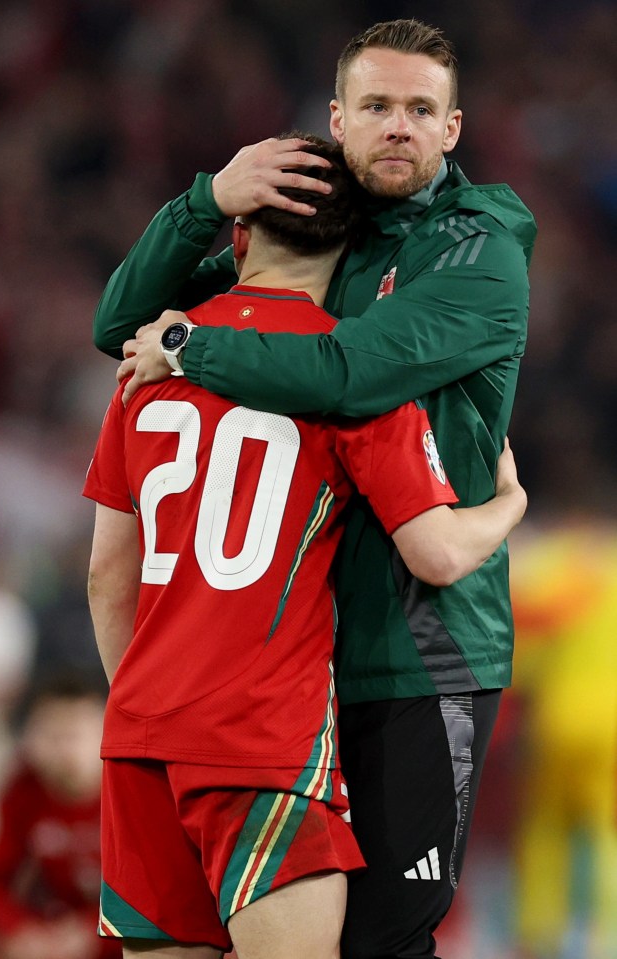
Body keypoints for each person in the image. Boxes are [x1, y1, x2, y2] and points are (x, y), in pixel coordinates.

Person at [91, 19, 537, 959]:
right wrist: (205, 197)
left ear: (454, 129)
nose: (399, 127)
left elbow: (343, 372)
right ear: (339, 120)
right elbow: (118, 322)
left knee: (386, 941)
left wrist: (186, 347)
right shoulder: (325, 244)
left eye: (422, 110)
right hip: (296, 674)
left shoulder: (479, 252)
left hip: (423, 649)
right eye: (377, 107)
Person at [0, 671, 120, 959]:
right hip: (41, 923)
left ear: (107, 732)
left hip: (103, 927)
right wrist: (17, 930)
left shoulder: (127, 793)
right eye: (51, 735)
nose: (64, 750)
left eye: (74, 735)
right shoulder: (22, 788)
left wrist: (89, 932)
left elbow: (151, 890)